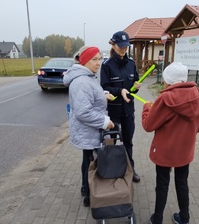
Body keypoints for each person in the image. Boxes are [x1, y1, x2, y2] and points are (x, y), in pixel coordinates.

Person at [141, 62, 199, 224]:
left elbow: (148, 125)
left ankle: (157, 219)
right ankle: (184, 218)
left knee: (162, 184)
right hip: (185, 150)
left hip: (165, 151)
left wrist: (147, 108)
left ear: (168, 80)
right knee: (182, 183)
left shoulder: (164, 99)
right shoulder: (198, 94)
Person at [63, 46, 115, 207]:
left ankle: (88, 189)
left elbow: (89, 98)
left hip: (90, 130)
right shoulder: (81, 81)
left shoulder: (88, 76)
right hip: (89, 129)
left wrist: (103, 94)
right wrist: (105, 122)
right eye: (94, 59)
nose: (99, 63)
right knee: (89, 162)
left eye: (100, 58)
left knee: (89, 160)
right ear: (84, 61)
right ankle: (88, 193)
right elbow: (83, 112)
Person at [100, 31, 141, 183]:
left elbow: (133, 87)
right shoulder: (107, 66)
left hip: (128, 111)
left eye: (126, 46)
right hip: (114, 111)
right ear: (113, 45)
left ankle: (131, 169)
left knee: (128, 141)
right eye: (120, 46)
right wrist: (119, 90)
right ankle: (110, 169)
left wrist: (136, 87)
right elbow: (104, 87)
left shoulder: (131, 64)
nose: (123, 49)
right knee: (111, 142)